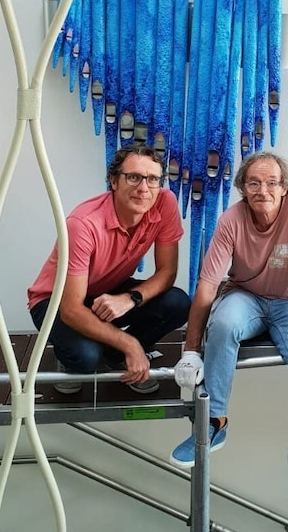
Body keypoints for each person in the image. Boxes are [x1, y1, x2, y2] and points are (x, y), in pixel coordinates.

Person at [170, 151, 288, 516]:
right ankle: (215, 422)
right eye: (253, 183)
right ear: (243, 189)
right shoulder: (231, 220)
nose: (262, 189)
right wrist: (190, 349)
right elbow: (206, 285)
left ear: (285, 189)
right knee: (223, 323)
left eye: (271, 183)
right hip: (245, 296)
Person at [28, 144, 191, 394]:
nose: (143, 188)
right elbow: (71, 309)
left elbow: (167, 272)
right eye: (134, 177)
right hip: (55, 300)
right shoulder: (82, 224)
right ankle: (73, 354)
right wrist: (131, 344)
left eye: (152, 179)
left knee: (178, 302)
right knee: (86, 358)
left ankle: (117, 356)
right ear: (113, 181)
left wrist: (131, 298)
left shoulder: (164, 202)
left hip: (106, 290)